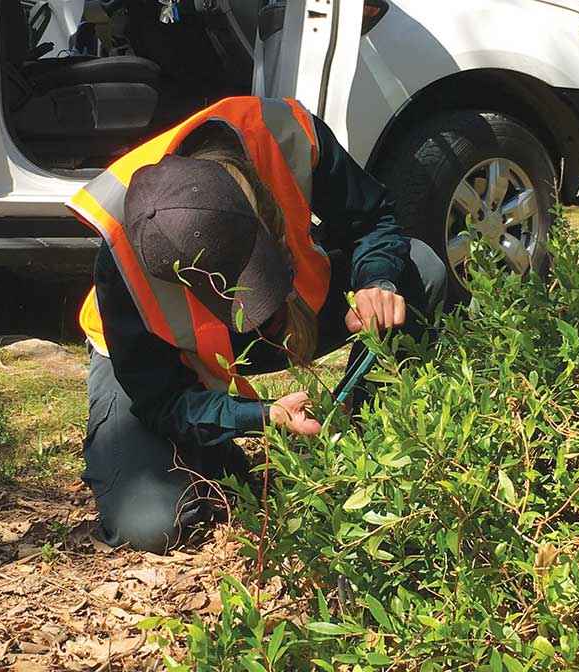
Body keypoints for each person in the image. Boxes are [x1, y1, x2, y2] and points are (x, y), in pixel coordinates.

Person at [70, 96, 447, 554]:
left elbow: (372, 220)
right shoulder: (122, 261)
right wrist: (262, 417)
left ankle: (355, 432)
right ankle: (213, 457)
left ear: (262, 211)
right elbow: (163, 400)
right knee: (148, 526)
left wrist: (376, 282)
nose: (246, 309)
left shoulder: (283, 134)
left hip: (292, 310)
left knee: (419, 267)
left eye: (253, 280)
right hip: (165, 356)